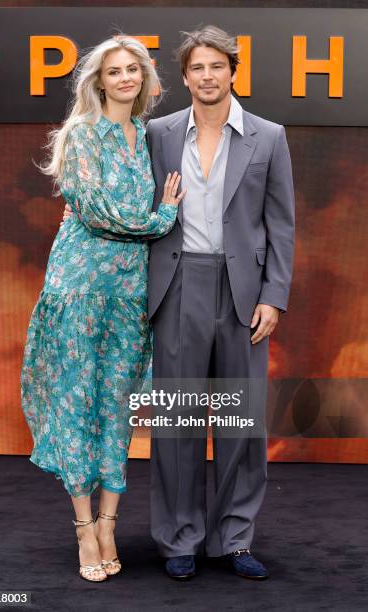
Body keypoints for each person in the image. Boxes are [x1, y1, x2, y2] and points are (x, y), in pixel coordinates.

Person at [21, 35, 184, 583]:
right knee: (76, 401)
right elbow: (96, 211)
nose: (124, 79)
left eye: (132, 70)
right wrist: (160, 220)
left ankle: (110, 523)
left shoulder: (148, 136)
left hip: (130, 291)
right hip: (79, 288)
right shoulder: (80, 134)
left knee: (116, 404)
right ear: (98, 81)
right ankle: (83, 527)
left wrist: (158, 221)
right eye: (114, 71)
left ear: (144, 78)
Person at [145, 25, 295, 580]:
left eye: (217, 66)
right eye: (197, 68)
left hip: (244, 294)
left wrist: (273, 297)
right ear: (184, 77)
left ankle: (235, 537)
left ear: (233, 71)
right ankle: (180, 537)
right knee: (177, 420)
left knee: (241, 421)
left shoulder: (268, 136)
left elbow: (281, 225)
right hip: (177, 284)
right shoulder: (157, 133)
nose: (208, 76)